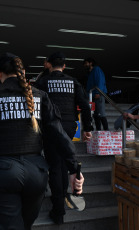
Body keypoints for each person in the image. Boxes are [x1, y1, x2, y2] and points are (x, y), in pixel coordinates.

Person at [0, 53, 84, 230]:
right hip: (36, 174)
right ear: (23, 72)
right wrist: (72, 168)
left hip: (2, 172)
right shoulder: (40, 96)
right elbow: (58, 133)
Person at [35, 51, 93, 224]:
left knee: (55, 166)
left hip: (50, 128)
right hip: (69, 127)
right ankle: (61, 202)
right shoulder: (73, 81)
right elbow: (85, 105)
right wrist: (87, 128)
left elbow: (35, 105)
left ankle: (58, 210)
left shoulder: (43, 81)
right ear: (65, 66)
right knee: (64, 164)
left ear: (49, 65)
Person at [84, 57, 109, 130]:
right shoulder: (90, 73)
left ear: (91, 63)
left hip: (98, 95)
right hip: (92, 96)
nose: (85, 65)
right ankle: (98, 132)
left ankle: (106, 132)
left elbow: (100, 81)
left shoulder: (96, 69)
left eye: (86, 63)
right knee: (95, 115)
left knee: (101, 114)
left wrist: (98, 92)